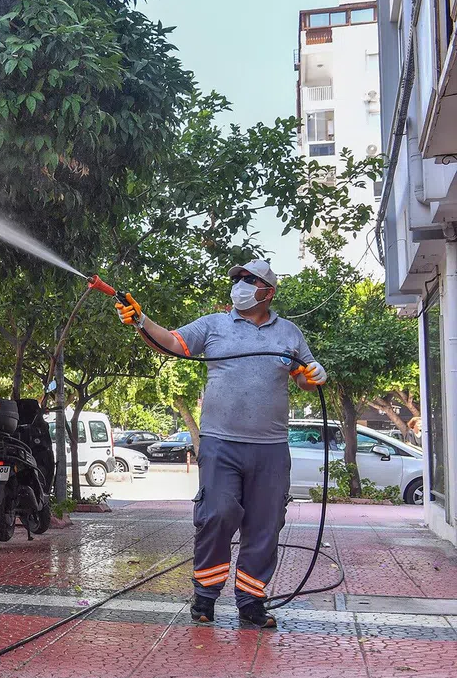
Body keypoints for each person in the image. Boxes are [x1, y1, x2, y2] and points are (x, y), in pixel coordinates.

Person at [115, 259, 326, 628]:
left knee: (265, 525)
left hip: (271, 448)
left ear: (268, 292)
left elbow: (304, 379)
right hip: (221, 444)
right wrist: (141, 321)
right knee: (217, 515)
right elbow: (172, 343)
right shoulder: (214, 325)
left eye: (250, 280)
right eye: (238, 279)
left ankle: (251, 602)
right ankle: (205, 597)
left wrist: (314, 373)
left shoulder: (289, 333)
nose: (240, 284)